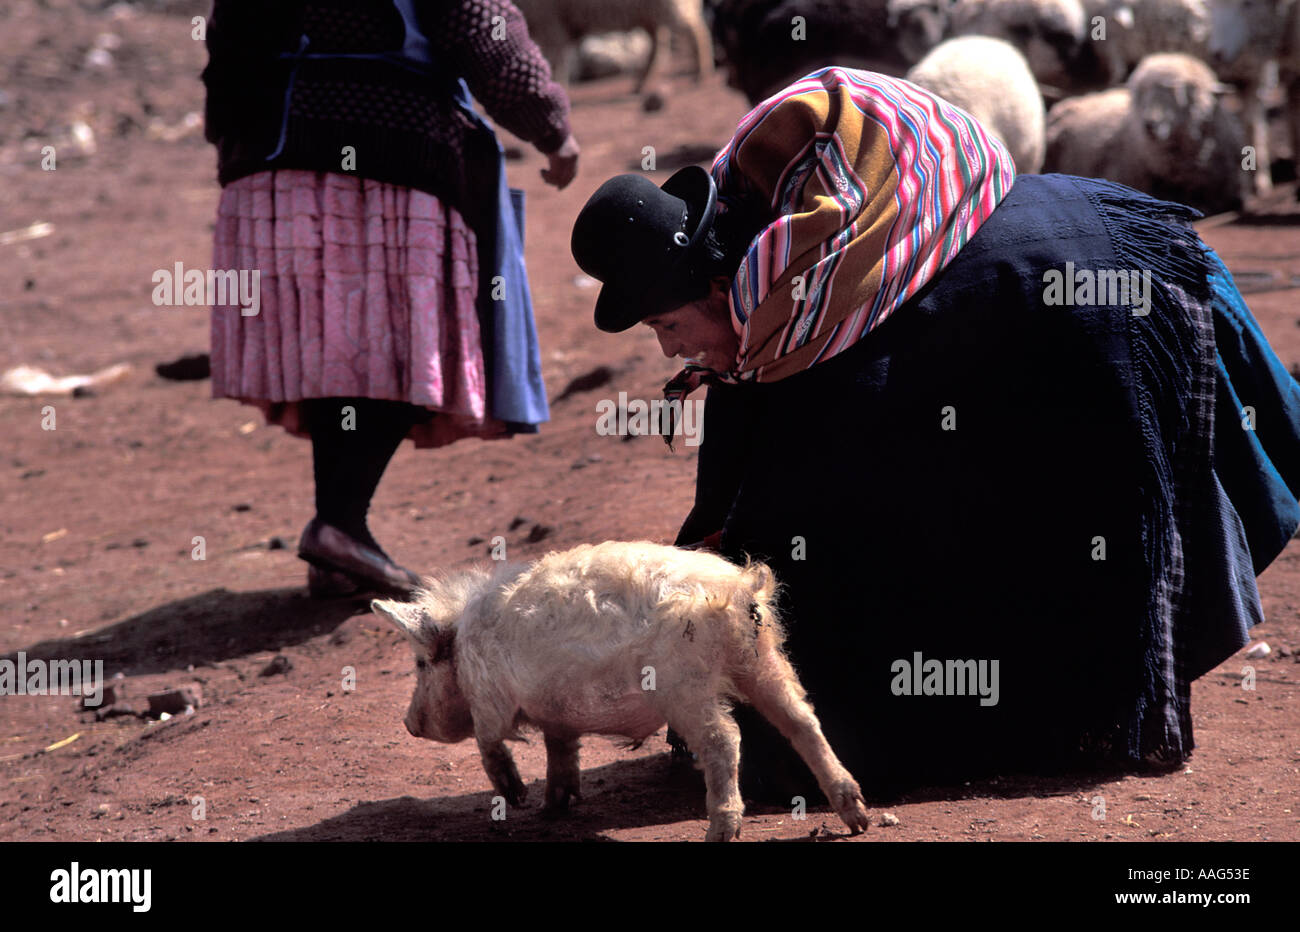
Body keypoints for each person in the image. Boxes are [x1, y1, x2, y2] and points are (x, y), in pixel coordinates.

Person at [571, 67, 1300, 797]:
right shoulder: (783, 302)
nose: (669, 352)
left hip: (1097, 296)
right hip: (1097, 241)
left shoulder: (811, 331)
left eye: (668, 325)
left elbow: (821, 567)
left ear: (718, 287)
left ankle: (1072, 712)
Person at [201, 0, 578, 598]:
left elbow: (226, 40)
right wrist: (551, 127)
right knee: (401, 340)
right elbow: (482, 28)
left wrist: (233, 139)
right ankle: (341, 526)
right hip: (387, 154)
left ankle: (339, 538)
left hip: (269, 162)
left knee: (340, 344)